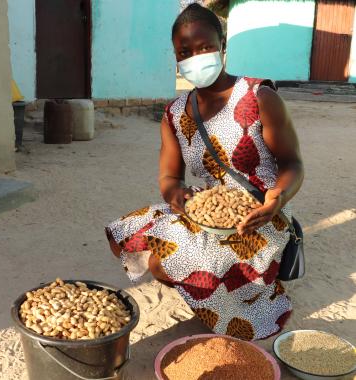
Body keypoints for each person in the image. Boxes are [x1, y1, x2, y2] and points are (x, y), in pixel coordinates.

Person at [105, 4, 304, 340]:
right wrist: (176, 195)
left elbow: (292, 164)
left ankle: (243, 285)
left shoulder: (259, 97)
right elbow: (169, 177)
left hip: (261, 216)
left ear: (222, 45)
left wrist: (277, 198)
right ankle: (207, 277)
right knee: (127, 231)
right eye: (185, 51)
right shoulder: (176, 112)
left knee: (163, 263)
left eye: (205, 47)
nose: (195, 57)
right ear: (176, 56)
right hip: (208, 208)